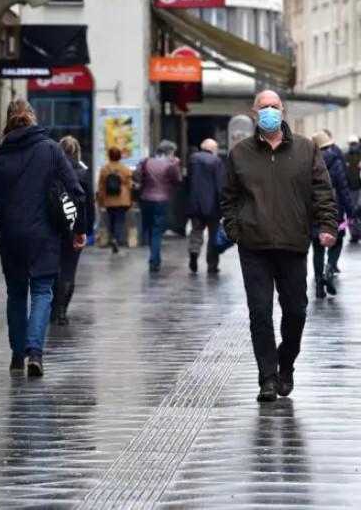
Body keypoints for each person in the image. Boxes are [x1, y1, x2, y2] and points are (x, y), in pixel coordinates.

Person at [222, 90, 337, 402]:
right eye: (264, 107)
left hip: (292, 243)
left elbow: (323, 192)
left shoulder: (306, 149)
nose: (270, 111)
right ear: (254, 112)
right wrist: (235, 229)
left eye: (275, 106)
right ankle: (268, 377)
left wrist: (327, 226)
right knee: (260, 312)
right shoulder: (240, 153)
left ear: (283, 111)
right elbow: (229, 197)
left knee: (296, 311)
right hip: (254, 245)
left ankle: (286, 363)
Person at [0, 98, 86, 377]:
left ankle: (16, 355)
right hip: (44, 234)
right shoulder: (50, 150)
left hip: (11, 235)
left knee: (16, 293)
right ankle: (35, 352)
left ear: (8, 120)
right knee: (42, 291)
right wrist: (79, 229)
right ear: (33, 118)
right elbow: (76, 191)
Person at [51, 136, 95, 327]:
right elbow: (88, 204)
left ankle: (53, 309)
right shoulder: (83, 173)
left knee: (53, 268)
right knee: (69, 269)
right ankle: (62, 311)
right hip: (75, 226)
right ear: (77, 151)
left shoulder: (51, 170)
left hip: (52, 225)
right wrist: (86, 228)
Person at [311, 131, 355, 298]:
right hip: (335, 207)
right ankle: (329, 269)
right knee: (337, 240)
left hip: (314, 209)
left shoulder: (309, 161)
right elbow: (344, 188)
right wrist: (350, 211)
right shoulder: (337, 161)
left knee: (317, 247)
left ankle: (318, 284)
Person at [134, 140, 182, 273]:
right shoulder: (170, 165)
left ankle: (155, 257)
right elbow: (177, 179)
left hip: (145, 199)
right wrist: (176, 166)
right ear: (170, 152)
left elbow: (137, 176)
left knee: (149, 229)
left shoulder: (146, 161)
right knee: (157, 231)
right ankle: (154, 261)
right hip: (161, 201)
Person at [187, 138, 224, 274]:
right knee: (213, 235)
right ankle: (212, 264)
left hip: (195, 204)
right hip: (212, 206)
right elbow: (220, 186)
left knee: (196, 231)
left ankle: (194, 252)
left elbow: (189, 181)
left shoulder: (192, 159)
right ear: (213, 149)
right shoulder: (216, 161)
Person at [97, 147, 133, 253]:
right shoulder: (125, 169)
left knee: (112, 220)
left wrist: (100, 201)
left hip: (109, 199)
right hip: (122, 199)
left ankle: (112, 237)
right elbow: (130, 185)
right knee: (120, 220)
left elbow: (101, 185)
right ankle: (116, 239)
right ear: (120, 156)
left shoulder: (104, 169)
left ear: (109, 156)